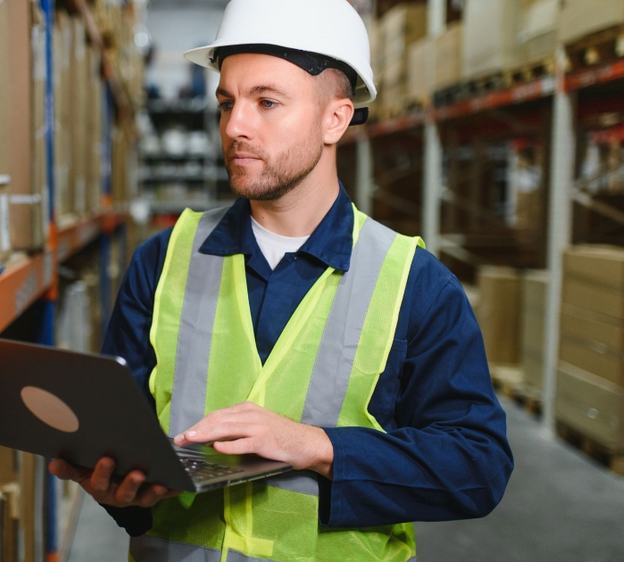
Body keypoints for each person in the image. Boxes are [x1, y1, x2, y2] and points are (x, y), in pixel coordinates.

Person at [51, 0, 514, 559]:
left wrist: (316, 446)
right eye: (227, 103)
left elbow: (477, 466)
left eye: (266, 102)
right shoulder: (163, 261)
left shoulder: (413, 284)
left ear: (335, 119)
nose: (235, 126)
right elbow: (128, 450)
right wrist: (118, 491)